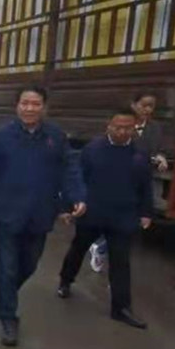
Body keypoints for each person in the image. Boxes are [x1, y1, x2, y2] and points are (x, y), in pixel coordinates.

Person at [0, 85, 85, 347]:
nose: (29, 108)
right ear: (17, 106)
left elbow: (69, 170)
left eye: (35, 104)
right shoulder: (2, 136)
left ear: (44, 107)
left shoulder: (55, 137)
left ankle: (7, 292)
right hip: (7, 213)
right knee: (6, 266)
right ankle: (8, 319)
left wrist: (77, 196)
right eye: (25, 103)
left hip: (40, 213)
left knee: (29, 264)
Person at [56, 107, 153, 330]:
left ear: (134, 128)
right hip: (93, 213)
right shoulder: (93, 150)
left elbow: (145, 186)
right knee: (78, 248)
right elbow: (76, 180)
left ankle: (121, 308)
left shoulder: (140, 154)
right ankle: (65, 280)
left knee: (121, 261)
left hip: (123, 215)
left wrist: (146, 212)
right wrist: (68, 207)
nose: (122, 132)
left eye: (127, 128)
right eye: (118, 127)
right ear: (108, 126)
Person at [89, 91, 168, 273]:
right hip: (120, 177)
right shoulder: (122, 124)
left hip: (142, 178)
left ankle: (101, 247)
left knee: (133, 220)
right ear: (134, 105)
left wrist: (160, 157)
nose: (147, 109)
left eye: (151, 106)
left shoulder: (155, 128)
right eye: (144, 105)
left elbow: (157, 149)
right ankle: (103, 248)